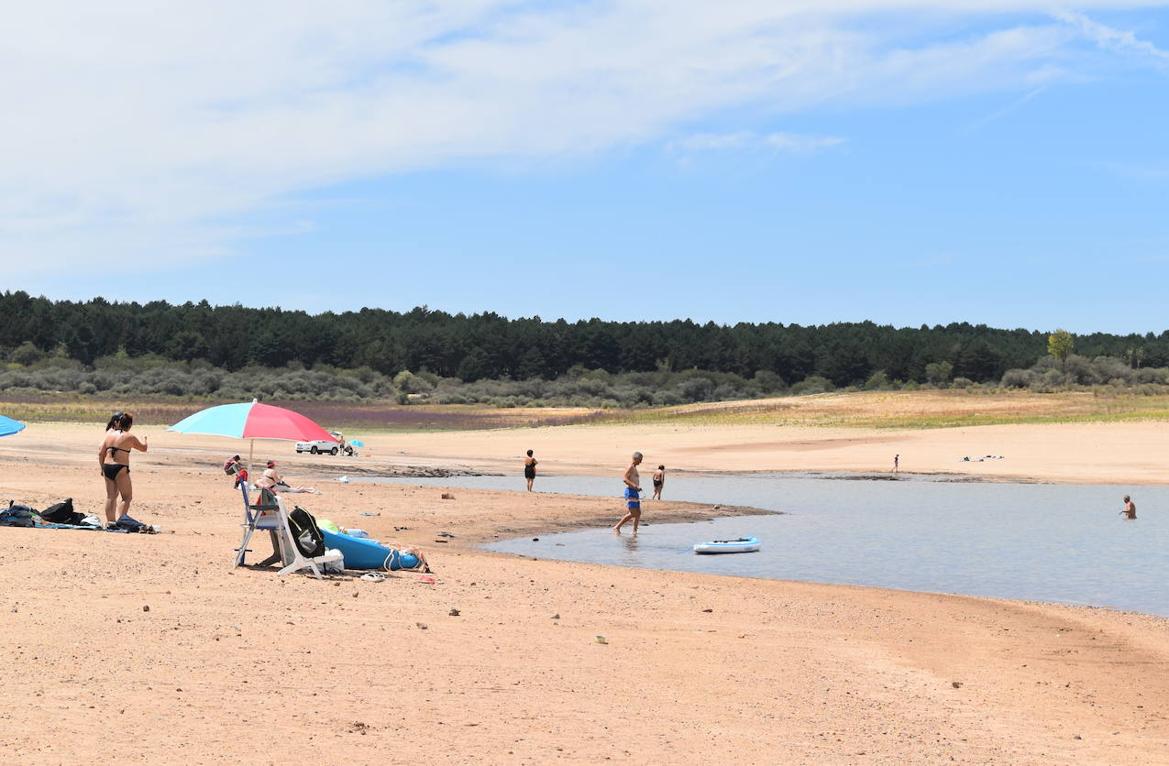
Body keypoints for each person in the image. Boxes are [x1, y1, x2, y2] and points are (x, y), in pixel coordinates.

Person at [98, 411, 148, 530]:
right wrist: (145, 439)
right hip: (120, 467)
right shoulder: (129, 436)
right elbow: (143, 448)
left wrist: (101, 468)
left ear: (119, 423)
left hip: (107, 466)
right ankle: (122, 520)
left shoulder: (109, 435)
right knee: (126, 497)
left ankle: (110, 523)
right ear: (129, 425)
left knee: (111, 496)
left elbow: (101, 452)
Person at [613, 451, 644, 534]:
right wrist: (635, 486)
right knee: (633, 513)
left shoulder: (634, 467)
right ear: (636, 459)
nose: (641, 462)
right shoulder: (630, 467)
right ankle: (617, 527)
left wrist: (637, 488)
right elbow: (625, 479)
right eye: (640, 460)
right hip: (630, 491)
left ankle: (634, 532)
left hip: (635, 491)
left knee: (638, 513)